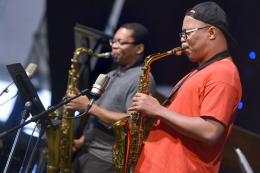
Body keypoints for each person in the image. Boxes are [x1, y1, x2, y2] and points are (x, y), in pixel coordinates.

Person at [128, 2, 242, 173]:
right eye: (182, 34)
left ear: (211, 32)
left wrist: (158, 110)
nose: (182, 42)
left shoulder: (223, 73)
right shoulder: (201, 70)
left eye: (187, 33)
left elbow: (211, 131)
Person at [65, 22, 156, 173]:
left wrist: (89, 107)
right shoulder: (110, 75)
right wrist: (82, 141)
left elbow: (131, 122)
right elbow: (97, 116)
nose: (114, 46)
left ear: (139, 48)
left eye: (121, 42)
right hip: (86, 151)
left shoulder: (142, 78)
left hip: (105, 160)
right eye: (113, 41)